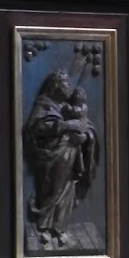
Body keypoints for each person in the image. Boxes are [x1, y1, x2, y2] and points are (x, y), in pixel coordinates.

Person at [22, 70, 100, 248]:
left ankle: (60, 228)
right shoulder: (44, 106)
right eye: (65, 83)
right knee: (53, 190)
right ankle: (44, 228)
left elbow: (87, 125)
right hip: (51, 160)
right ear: (55, 86)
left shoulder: (67, 106)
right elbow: (38, 128)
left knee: (68, 191)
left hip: (71, 158)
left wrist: (86, 137)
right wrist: (66, 125)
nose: (69, 87)